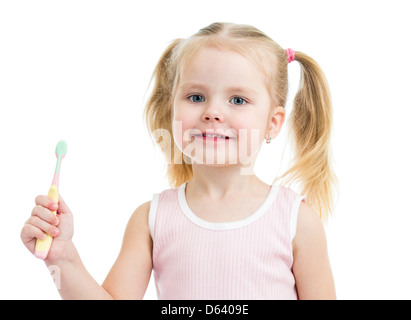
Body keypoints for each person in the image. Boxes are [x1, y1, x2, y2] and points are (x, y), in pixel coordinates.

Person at [21, 22, 337, 300]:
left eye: (238, 100)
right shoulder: (151, 220)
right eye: (196, 97)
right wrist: (62, 257)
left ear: (273, 122)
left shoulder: (297, 221)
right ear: (173, 108)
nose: (213, 112)